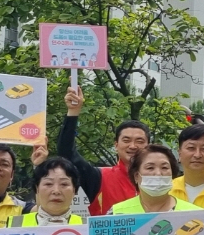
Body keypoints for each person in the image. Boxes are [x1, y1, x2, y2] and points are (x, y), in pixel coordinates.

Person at [57, 86, 149, 216]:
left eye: (139, 141)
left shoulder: (160, 178)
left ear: (148, 146)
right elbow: (66, 154)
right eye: (126, 140)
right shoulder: (100, 177)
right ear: (116, 145)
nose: (133, 146)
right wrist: (73, 112)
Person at [10, 157, 86, 227]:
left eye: (64, 184)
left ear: (74, 190)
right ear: (37, 188)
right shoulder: (13, 226)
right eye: (48, 184)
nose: (56, 191)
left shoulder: (88, 228)